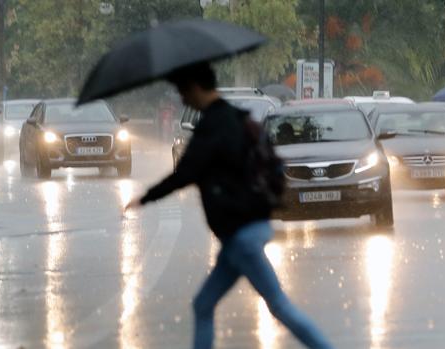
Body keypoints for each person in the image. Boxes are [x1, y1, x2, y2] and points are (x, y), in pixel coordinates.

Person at [125, 63, 332, 349]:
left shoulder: (212, 127)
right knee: (203, 304)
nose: (182, 98)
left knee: (279, 305)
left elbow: (185, 173)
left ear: (197, 88)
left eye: (183, 91)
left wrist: (145, 198)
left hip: (242, 235)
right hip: (247, 227)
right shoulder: (236, 118)